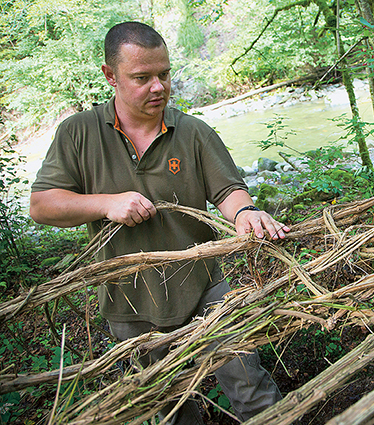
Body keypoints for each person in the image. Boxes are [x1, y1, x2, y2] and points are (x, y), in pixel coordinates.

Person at [30, 21, 289, 424]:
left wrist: (244, 213)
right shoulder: (78, 133)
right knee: (166, 405)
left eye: (164, 74)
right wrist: (106, 203)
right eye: (142, 77)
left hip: (204, 290)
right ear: (110, 76)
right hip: (128, 303)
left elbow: (227, 191)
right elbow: (42, 205)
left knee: (250, 386)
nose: (159, 87)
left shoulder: (193, 132)